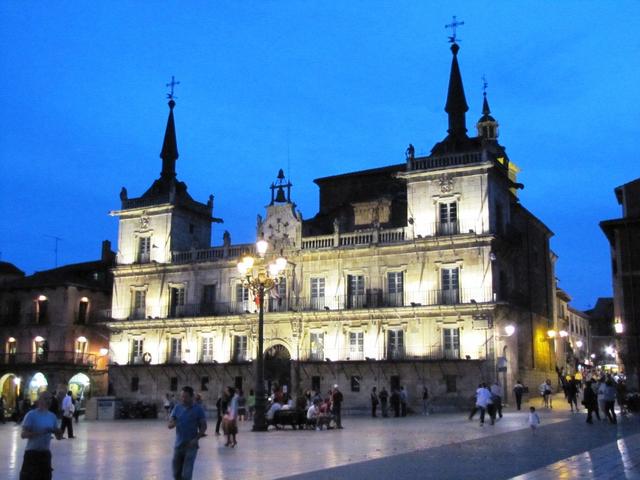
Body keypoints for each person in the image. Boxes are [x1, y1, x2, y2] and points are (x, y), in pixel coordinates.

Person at [20, 391, 63, 480]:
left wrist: (59, 433)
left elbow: (58, 437)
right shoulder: (31, 415)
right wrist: (39, 433)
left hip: (45, 454)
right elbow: (23, 434)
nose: (48, 401)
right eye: (45, 399)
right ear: (39, 400)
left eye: (50, 399)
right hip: (32, 454)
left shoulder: (52, 417)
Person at [168, 386, 207, 480]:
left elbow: (203, 426)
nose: (183, 399)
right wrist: (172, 423)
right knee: (176, 473)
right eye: (182, 396)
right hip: (178, 444)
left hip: (191, 445)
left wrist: (196, 439)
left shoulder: (198, 409)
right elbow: (171, 421)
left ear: (192, 397)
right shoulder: (177, 407)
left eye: (185, 397)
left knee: (187, 474)